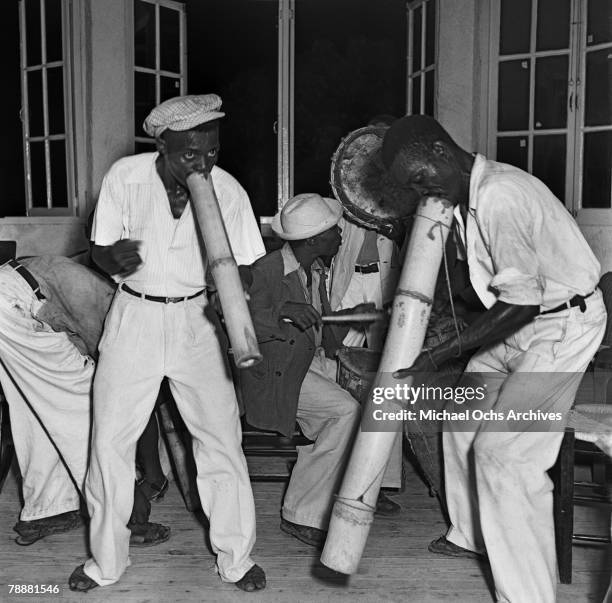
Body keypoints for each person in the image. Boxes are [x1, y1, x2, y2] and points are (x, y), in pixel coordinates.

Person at [384, 115, 606, 603]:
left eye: (421, 178)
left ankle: (527, 596)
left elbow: (522, 303)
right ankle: (474, 536)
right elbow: (491, 287)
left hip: (559, 327)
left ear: (442, 152)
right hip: (517, 322)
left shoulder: (501, 194)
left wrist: (439, 354)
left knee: (504, 457)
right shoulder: (466, 198)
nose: (423, 192)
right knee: (462, 420)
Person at [69, 93, 267, 593]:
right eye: (190, 155)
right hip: (134, 316)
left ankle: (236, 559)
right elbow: (99, 250)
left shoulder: (229, 190)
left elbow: (245, 264)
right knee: (110, 441)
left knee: (221, 439)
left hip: (197, 322)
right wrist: (115, 260)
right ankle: (105, 563)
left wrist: (234, 292)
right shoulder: (125, 177)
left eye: (213, 152)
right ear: (162, 144)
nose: (203, 164)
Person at [240, 193, 398, 548]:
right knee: (345, 413)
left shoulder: (315, 269)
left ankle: (350, 491)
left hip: (306, 363)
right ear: (313, 240)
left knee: (376, 397)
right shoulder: (267, 270)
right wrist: (282, 312)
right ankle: (301, 512)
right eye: (334, 230)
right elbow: (234, 319)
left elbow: (320, 326)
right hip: (276, 372)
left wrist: (348, 325)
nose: (341, 235)